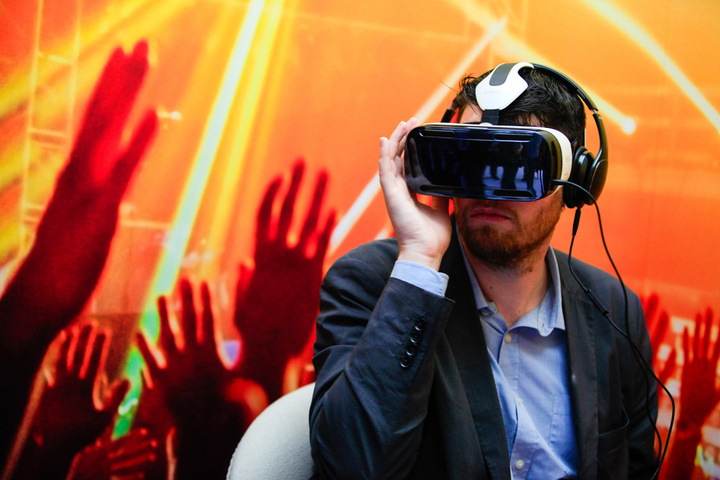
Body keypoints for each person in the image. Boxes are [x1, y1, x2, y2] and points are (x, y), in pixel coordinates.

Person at [309, 63, 658, 479]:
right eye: (471, 157)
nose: (486, 186)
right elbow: (350, 467)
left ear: (576, 180)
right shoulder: (373, 283)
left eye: (516, 160)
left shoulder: (614, 310)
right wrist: (419, 260)